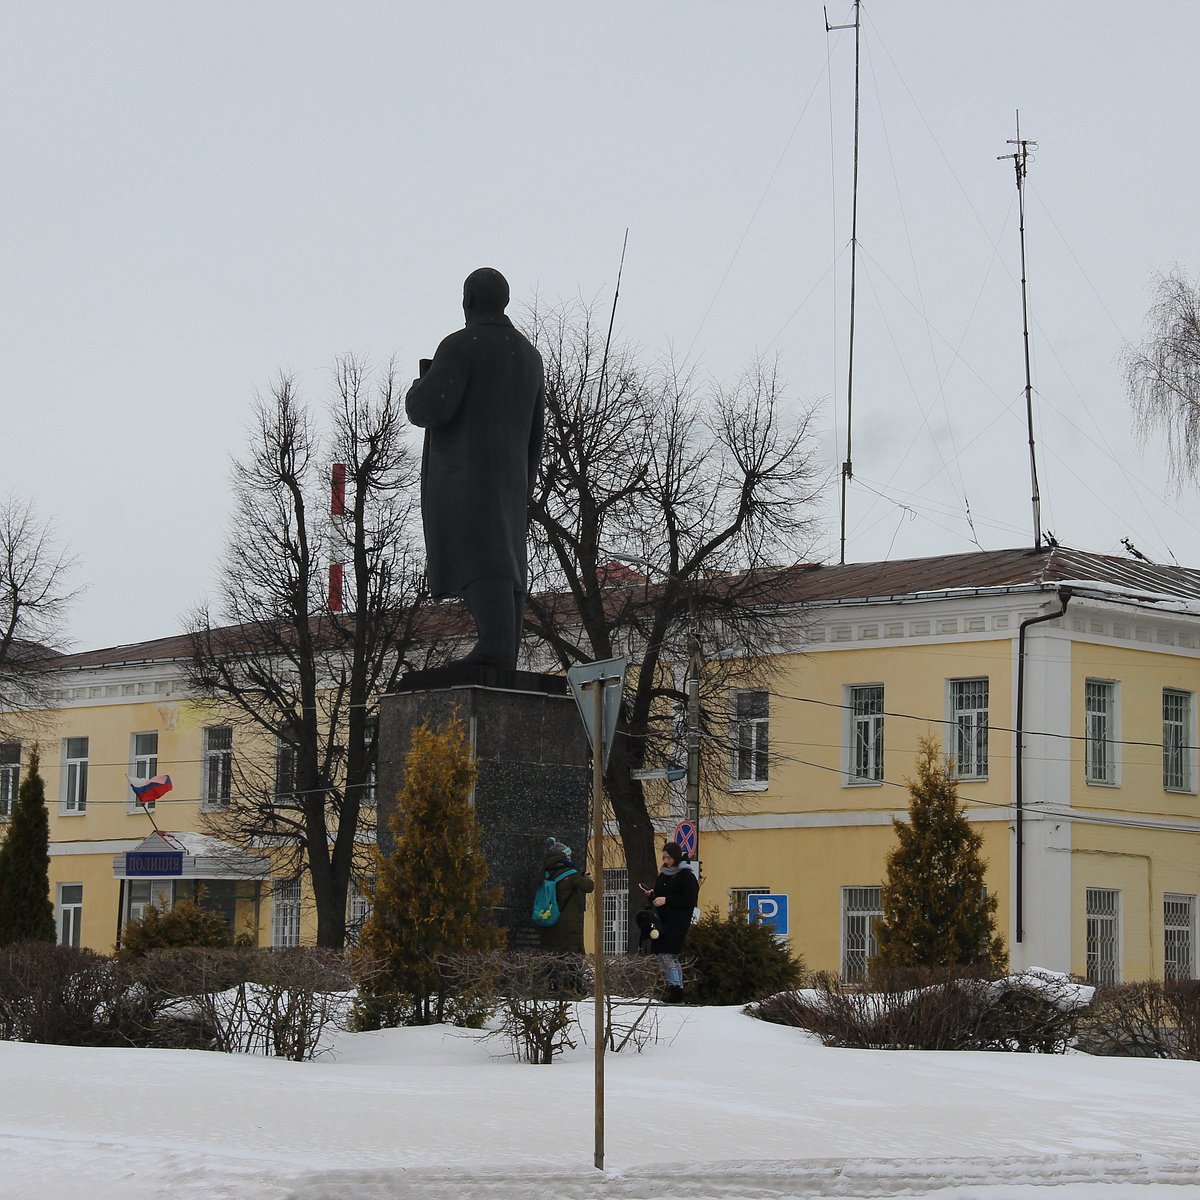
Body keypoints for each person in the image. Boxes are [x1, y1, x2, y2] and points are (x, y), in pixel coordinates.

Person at [405, 267, 546, 670]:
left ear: (467, 302)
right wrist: (524, 480)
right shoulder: (529, 356)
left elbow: (430, 407)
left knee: (478, 554)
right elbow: (537, 429)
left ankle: (495, 648)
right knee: (503, 554)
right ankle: (502, 645)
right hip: (511, 477)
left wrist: (420, 385)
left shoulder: (461, 345)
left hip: (465, 476)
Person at [639, 840, 699, 1003]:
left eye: (669, 858)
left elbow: (688, 899)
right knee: (668, 956)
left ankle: (676, 992)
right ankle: (676, 989)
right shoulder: (664, 875)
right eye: (664, 857)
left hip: (678, 921)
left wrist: (667, 900)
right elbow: (660, 894)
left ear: (676, 858)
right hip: (664, 921)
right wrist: (652, 895)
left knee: (668, 955)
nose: (665, 861)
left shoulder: (686, 876)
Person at [536, 837, 595, 954]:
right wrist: (587, 877)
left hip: (550, 918)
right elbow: (588, 887)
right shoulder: (571, 874)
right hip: (568, 922)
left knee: (553, 954)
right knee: (570, 955)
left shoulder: (546, 872)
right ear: (564, 857)